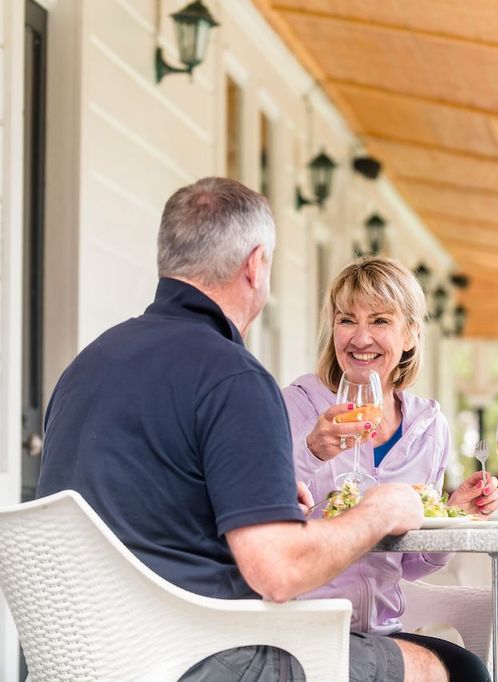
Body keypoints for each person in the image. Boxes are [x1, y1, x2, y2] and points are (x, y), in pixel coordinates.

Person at [37, 178, 445, 682]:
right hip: (197, 656)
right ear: (255, 265)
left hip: (84, 657)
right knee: (450, 667)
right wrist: (380, 511)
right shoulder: (233, 377)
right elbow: (279, 574)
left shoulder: (87, 364)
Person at [282, 256, 498, 680]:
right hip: (304, 623)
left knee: (471, 670)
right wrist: (311, 452)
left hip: (383, 630)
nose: (360, 338)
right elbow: (261, 520)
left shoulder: (429, 427)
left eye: (380, 320)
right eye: (347, 320)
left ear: (411, 334)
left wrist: (452, 513)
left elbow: (411, 564)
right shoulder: (296, 406)